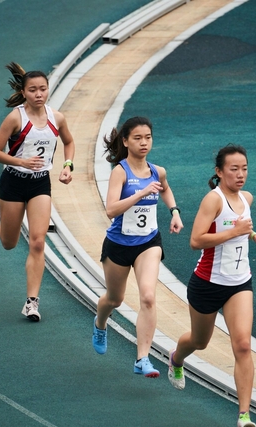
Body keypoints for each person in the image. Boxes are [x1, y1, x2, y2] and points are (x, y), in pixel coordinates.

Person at [167, 145, 256, 427]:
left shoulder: (246, 198)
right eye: (234, 169)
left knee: (244, 345)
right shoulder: (213, 200)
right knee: (200, 342)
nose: (240, 175)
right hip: (207, 284)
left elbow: (242, 227)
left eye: (244, 168)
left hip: (239, 283)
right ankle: (176, 358)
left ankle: (244, 416)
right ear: (219, 172)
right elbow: (195, 240)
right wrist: (233, 232)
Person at [92, 116, 183, 378]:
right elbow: (111, 210)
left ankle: (142, 358)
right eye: (137, 138)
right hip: (119, 244)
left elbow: (165, 188)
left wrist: (174, 212)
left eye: (148, 138)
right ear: (125, 141)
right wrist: (140, 194)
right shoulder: (120, 172)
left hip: (148, 243)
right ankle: (100, 324)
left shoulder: (157, 171)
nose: (144, 143)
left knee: (148, 297)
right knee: (114, 299)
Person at [0, 62, 75, 322]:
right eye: (33, 90)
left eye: (43, 89)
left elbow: (69, 142)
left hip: (40, 184)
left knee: (38, 241)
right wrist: (20, 162)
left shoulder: (56, 118)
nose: (39, 94)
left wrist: (68, 166)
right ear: (24, 92)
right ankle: (2, 212)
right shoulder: (15, 118)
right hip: (13, 181)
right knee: (9, 243)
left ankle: (32, 302)